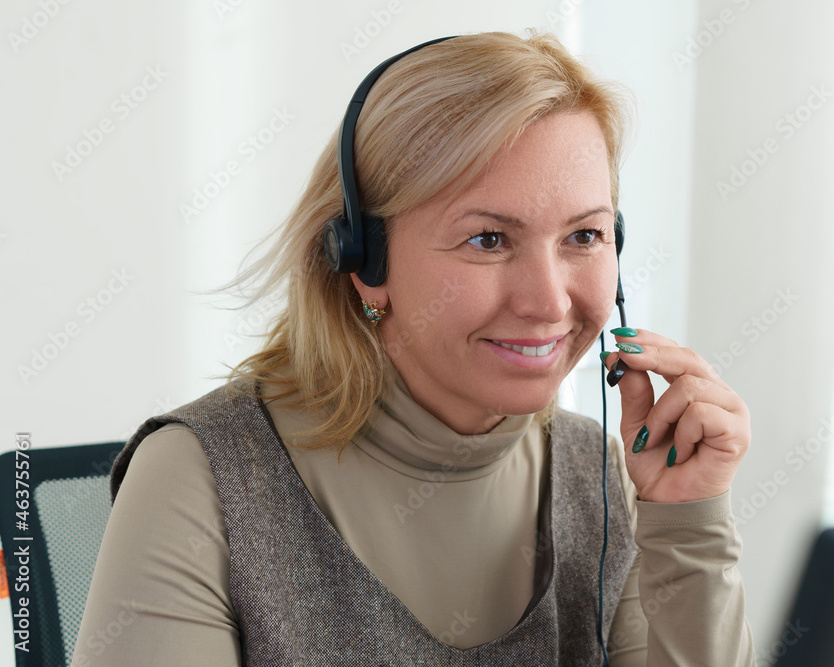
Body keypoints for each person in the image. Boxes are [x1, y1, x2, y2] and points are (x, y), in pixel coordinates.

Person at [73, 31, 754, 666]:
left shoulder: (601, 474)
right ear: (366, 260)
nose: (549, 302)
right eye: (488, 239)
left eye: (584, 236)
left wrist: (687, 524)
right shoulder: (200, 476)